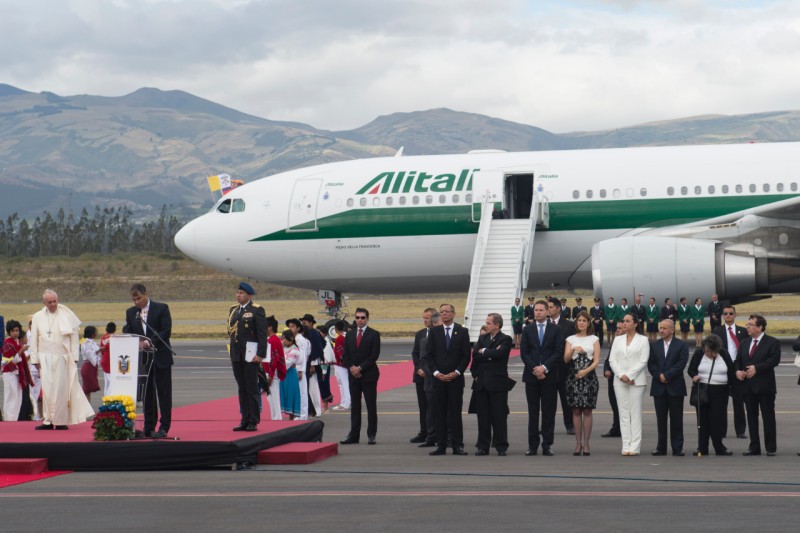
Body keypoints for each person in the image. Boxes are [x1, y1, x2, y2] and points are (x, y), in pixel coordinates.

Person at [28, 289, 94, 429]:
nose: (53, 304)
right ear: (44, 303)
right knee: (47, 389)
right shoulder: (37, 317)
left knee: (60, 390)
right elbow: (34, 339)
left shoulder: (67, 314)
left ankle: (60, 421)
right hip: (44, 357)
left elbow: (74, 337)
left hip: (62, 357)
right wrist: (35, 360)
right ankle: (47, 420)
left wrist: (74, 357)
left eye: (55, 301)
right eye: (49, 302)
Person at [422, 303, 471, 455]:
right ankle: (441, 445)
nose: (444, 314)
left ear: (453, 313)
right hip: (439, 380)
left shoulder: (462, 331)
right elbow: (429, 356)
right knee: (439, 413)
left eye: (447, 312)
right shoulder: (434, 332)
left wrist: (457, 372)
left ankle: (457, 445)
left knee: (455, 413)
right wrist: (436, 373)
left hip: (455, 379)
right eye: (442, 312)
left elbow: (466, 356)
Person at [125, 283, 173, 438]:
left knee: (164, 394)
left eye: (139, 298)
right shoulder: (131, 312)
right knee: (148, 395)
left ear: (146, 294)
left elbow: (166, 330)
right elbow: (128, 330)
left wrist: (149, 342)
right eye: (134, 300)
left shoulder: (161, 308)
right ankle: (149, 426)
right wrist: (134, 341)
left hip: (161, 357)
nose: (136, 302)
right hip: (144, 361)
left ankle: (164, 426)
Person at [520, 300, 564, 456]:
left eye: (541, 310)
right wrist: (535, 369)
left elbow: (558, 351)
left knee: (548, 412)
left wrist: (544, 368)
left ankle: (547, 445)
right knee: (533, 412)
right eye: (536, 310)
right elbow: (524, 352)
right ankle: (532, 446)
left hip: (549, 377)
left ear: (547, 312)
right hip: (531, 377)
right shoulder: (527, 329)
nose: (537, 312)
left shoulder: (555, 329)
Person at [735, 314, 781, 456]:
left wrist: (757, 368)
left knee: (768, 417)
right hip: (748, 386)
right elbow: (738, 360)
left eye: (751, 325)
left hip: (765, 386)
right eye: (747, 324)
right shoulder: (744, 342)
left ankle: (770, 447)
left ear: (760, 327)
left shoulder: (772, 342)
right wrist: (737, 371)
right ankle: (754, 446)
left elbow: (774, 360)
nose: (747, 327)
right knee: (751, 417)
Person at [470, 313, 512, 456]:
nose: (486, 325)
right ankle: (483, 445)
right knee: (483, 417)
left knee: (499, 416)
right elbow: (475, 356)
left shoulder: (505, 339)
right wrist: (489, 354)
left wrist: (485, 352)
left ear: (497, 325)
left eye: (488, 323)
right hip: (481, 382)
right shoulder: (482, 338)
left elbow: (501, 354)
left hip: (498, 383)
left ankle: (501, 445)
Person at [608, 313, 650, 456]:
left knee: (635, 413)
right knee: (623, 413)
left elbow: (643, 361)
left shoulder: (643, 340)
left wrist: (630, 375)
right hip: (619, 381)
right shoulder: (617, 339)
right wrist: (622, 375)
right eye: (624, 321)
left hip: (637, 381)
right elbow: (612, 360)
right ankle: (626, 445)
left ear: (635, 324)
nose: (624, 323)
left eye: (627, 321)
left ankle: (635, 446)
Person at [226, 282, 265, 432]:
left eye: (241, 293)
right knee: (242, 388)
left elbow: (261, 334)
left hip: (250, 355)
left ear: (249, 295)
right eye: (237, 293)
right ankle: (244, 419)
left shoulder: (256, 310)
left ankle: (253, 420)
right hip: (236, 354)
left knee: (251, 388)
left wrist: (260, 354)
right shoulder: (233, 310)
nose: (238, 295)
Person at [687, 334, 735, 456]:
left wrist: (732, 388)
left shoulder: (724, 354)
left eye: (712, 352)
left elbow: (731, 371)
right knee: (702, 420)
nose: (709, 354)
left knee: (717, 420)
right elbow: (691, 369)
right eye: (707, 351)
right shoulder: (699, 353)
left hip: (720, 391)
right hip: (703, 389)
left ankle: (719, 447)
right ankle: (702, 447)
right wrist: (694, 376)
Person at [647, 319, 689, 456]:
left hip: (675, 387)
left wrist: (667, 375)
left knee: (676, 419)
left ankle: (677, 448)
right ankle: (661, 447)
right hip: (659, 387)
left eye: (665, 328)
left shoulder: (681, 345)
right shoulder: (654, 345)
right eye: (660, 328)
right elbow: (651, 364)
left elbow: (681, 364)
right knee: (661, 420)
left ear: (672, 329)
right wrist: (659, 375)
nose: (661, 330)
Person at [340, 308, 381, 445]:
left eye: (363, 318)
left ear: (367, 319)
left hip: (368, 375)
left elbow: (374, 355)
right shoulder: (350, 335)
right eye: (357, 317)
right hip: (353, 375)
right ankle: (354, 435)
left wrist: (360, 368)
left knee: (371, 406)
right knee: (355, 406)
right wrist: (352, 368)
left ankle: (371, 434)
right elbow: (345, 355)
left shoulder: (374, 334)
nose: (360, 320)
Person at [563, 311, 600, 456]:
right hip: (573, 377)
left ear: (588, 323)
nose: (581, 323)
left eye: (584, 320)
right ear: (576, 322)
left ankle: (587, 444)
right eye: (579, 320)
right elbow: (565, 359)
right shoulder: (570, 339)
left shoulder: (594, 339)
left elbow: (596, 360)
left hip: (589, 378)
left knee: (588, 410)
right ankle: (578, 443)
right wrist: (573, 349)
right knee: (576, 410)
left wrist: (586, 371)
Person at [712, 305, 748, 439]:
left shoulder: (743, 331)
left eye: (731, 313)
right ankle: (722, 431)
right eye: (725, 313)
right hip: (723, 370)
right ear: (722, 316)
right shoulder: (717, 331)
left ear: (735, 315)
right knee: (722, 402)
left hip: (738, 369)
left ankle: (740, 430)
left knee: (739, 402)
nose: (728, 315)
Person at [547, 297, 576, 435]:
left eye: (551, 307)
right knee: (548, 401)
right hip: (548, 368)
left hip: (565, 368)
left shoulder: (569, 325)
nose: (548, 310)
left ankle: (569, 424)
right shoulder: (543, 324)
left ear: (558, 308)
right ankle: (547, 426)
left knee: (566, 399)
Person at [410, 307, 435, 444]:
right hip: (420, 376)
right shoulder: (420, 334)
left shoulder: (438, 333)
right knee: (423, 406)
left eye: (427, 318)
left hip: (433, 375)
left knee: (433, 406)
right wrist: (419, 368)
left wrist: (428, 370)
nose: (425, 320)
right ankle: (424, 432)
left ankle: (434, 433)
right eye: (424, 317)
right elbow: (415, 353)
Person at [2, 319, 32, 421]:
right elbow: (11, 361)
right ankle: (9, 419)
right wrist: (22, 350)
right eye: (13, 331)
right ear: (9, 332)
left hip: (18, 373)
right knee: (11, 397)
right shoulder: (7, 343)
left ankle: (14, 419)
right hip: (9, 373)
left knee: (18, 398)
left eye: (17, 330)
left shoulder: (17, 342)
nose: (16, 333)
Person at [301, 314, 326, 417]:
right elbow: (323, 343)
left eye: (305, 322)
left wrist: (313, 364)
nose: (303, 324)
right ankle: (312, 409)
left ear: (311, 323)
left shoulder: (313, 333)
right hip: (310, 362)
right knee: (310, 387)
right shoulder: (312, 332)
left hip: (312, 363)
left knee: (313, 388)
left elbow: (317, 349)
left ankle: (316, 410)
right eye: (302, 323)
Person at [286, 318, 310, 420]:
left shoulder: (300, 339)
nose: (290, 328)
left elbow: (303, 356)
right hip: (294, 369)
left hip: (299, 369)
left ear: (298, 328)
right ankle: (297, 413)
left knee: (302, 392)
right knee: (296, 392)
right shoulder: (294, 339)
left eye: (292, 327)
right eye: (289, 327)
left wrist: (300, 370)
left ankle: (302, 415)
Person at [265, 316, 286, 421]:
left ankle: (277, 418)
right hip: (271, 371)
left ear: (270, 327)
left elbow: (274, 359)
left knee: (273, 396)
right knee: (271, 396)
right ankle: (275, 417)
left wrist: (270, 375)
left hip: (271, 372)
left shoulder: (272, 340)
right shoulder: (273, 339)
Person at [279, 330, 301, 420]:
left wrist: (279, 364)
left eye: (284, 338)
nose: (283, 340)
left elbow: (287, 364)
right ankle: (290, 415)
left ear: (291, 339)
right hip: (284, 374)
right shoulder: (285, 349)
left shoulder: (294, 350)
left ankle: (292, 415)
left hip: (290, 374)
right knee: (285, 393)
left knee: (291, 393)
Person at [25, 316, 42, 421]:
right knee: (32, 393)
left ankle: (38, 414)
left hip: (38, 366)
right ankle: (35, 414)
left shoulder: (40, 335)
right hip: (30, 366)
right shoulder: (27, 335)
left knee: (39, 392)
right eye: (31, 324)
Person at [331, 320, 351, 411]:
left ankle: (345, 403)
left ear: (335, 329)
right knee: (344, 384)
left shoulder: (339, 338)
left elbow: (341, 354)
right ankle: (345, 402)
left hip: (340, 365)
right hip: (345, 365)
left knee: (343, 384)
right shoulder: (347, 336)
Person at [79, 325, 101, 402]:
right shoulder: (86, 342)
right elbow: (88, 353)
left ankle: (88, 405)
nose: (96, 333)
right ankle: (86, 406)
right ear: (92, 334)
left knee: (88, 390)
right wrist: (98, 351)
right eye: (95, 332)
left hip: (91, 366)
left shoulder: (90, 342)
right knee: (87, 389)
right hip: (88, 366)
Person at [99, 322, 116, 396]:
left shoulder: (103, 337)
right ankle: (109, 397)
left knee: (107, 382)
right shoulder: (113, 338)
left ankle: (106, 397)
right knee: (112, 381)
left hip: (104, 359)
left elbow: (102, 348)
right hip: (109, 361)